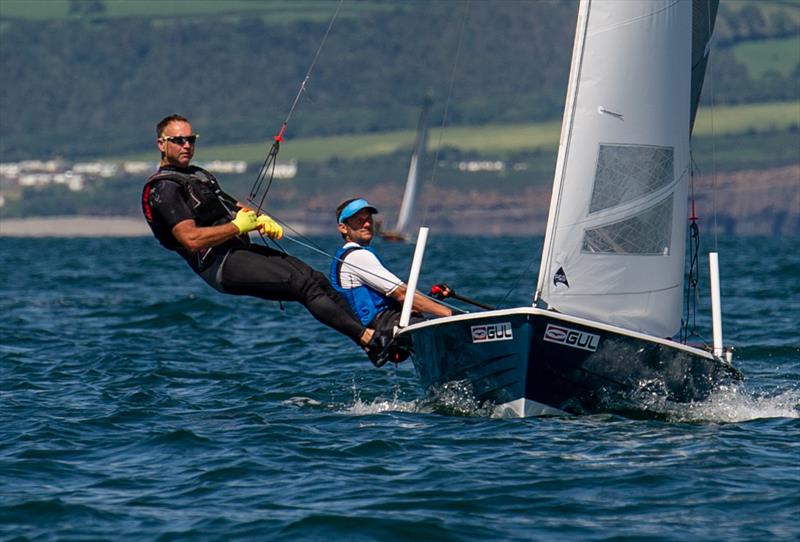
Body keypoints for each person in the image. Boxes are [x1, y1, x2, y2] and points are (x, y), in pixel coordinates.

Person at [141, 114, 392, 365]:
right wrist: (236, 226)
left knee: (314, 278)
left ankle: (372, 335)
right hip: (219, 264)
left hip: (237, 252)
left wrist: (258, 219)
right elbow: (191, 239)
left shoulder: (196, 175)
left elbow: (230, 204)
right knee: (302, 284)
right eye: (178, 140)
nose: (186, 145)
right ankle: (369, 339)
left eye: (190, 139)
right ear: (161, 144)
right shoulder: (164, 189)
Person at [330, 198, 452, 361]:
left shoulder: (352, 255)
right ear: (343, 228)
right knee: (451, 329)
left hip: (387, 324)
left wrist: (431, 298)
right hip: (385, 326)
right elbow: (402, 294)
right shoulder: (357, 256)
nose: (367, 224)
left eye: (368, 219)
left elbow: (402, 298)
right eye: (359, 220)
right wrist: (449, 313)